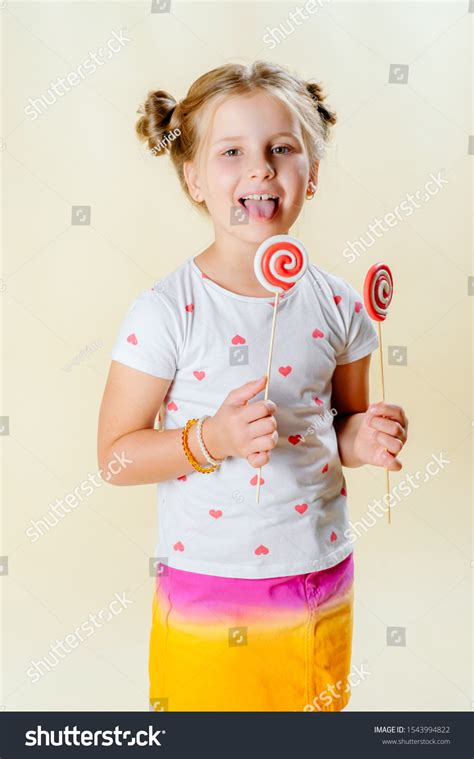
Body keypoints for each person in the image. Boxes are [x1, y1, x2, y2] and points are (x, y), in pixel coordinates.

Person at [97, 61, 409, 712]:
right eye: (232, 152)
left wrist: (368, 435)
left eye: (282, 149)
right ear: (194, 178)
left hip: (318, 580)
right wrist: (213, 436)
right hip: (209, 590)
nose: (260, 168)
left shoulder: (340, 305)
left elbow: (340, 428)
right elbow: (115, 456)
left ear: (313, 173)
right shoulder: (166, 310)